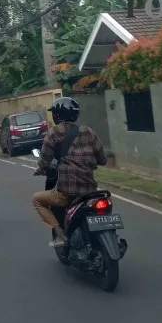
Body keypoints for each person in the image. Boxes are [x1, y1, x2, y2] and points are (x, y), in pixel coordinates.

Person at [32, 97, 107, 246]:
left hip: (66, 194)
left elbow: (45, 161)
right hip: (90, 191)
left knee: (37, 199)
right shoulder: (88, 131)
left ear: (56, 115)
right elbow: (103, 159)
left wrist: (41, 170)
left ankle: (59, 232)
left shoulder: (53, 133)